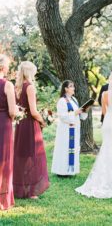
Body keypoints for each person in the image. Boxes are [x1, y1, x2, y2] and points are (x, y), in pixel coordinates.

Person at [13, 61, 49, 199]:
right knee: (32, 155)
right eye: (34, 71)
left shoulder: (18, 87)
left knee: (22, 155)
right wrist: (43, 120)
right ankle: (31, 191)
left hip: (21, 124)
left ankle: (20, 187)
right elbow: (33, 111)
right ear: (29, 72)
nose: (35, 73)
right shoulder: (30, 87)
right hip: (30, 124)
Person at [51, 80, 88, 176]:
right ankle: (62, 171)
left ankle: (71, 170)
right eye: (71, 86)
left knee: (73, 148)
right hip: (65, 130)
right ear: (66, 89)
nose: (73, 88)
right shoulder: (62, 101)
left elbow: (80, 116)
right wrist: (75, 113)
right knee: (64, 148)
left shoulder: (74, 100)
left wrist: (84, 111)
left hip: (74, 129)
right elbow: (63, 116)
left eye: (73, 86)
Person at [0, 54, 16, 210]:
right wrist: (17, 112)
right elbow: (12, 111)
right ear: (3, 67)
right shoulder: (8, 85)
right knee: (4, 159)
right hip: (3, 123)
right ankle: (3, 200)